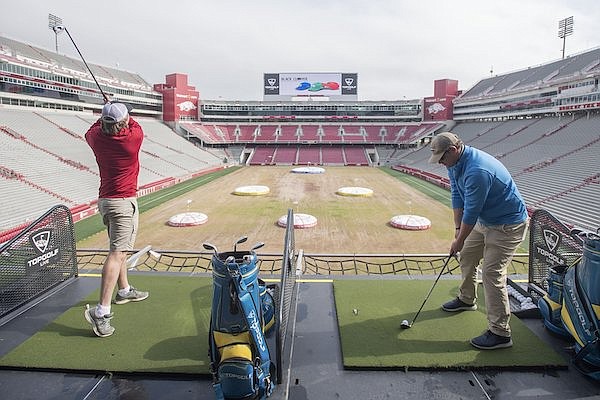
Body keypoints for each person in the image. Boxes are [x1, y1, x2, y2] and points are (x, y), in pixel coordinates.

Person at [429, 132, 528, 350]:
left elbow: (471, 213)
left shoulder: (477, 171)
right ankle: (466, 299)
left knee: (492, 274)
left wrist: (458, 240)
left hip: (507, 225)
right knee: (467, 255)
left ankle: (500, 333)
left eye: (442, 159)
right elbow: (457, 195)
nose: (441, 164)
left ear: (453, 150)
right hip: (486, 220)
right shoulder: (455, 164)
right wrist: (457, 232)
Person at [84, 102, 149, 337]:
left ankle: (124, 290)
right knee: (117, 254)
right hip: (123, 203)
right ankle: (101, 311)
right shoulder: (132, 141)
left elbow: (93, 128)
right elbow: (134, 122)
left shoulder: (95, 138)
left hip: (106, 201)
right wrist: (110, 108)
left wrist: (105, 110)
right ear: (123, 122)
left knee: (119, 249)